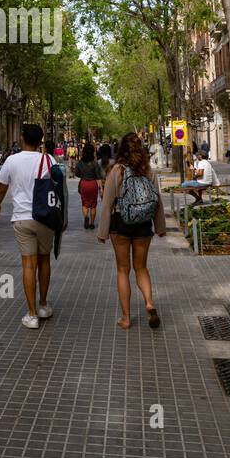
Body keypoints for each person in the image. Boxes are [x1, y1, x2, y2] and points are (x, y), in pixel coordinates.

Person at [96, 132, 167, 330]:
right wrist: (160, 227)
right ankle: (149, 303)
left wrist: (102, 232)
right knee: (141, 268)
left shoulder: (116, 170)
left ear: (121, 150)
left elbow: (108, 203)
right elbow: (157, 201)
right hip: (144, 224)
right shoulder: (148, 171)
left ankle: (126, 319)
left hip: (121, 224)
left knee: (122, 270)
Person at [0, 124, 57, 329]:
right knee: (45, 260)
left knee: (28, 264)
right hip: (45, 218)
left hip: (22, 217)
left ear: (22, 139)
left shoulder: (11, 161)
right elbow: (58, 188)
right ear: (40, 141)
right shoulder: (49, 159)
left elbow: (2, 186)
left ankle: (31, 315)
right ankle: (44, 306)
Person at [75, 142, 104, 229]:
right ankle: (92, 223)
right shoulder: (95, 163)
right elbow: (98, 177)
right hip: (93, 184)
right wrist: (101, 189)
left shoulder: (80, 163)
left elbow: (77, 173)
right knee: (93, 205)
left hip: (83, 184)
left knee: (85, 204)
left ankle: (86, 217)